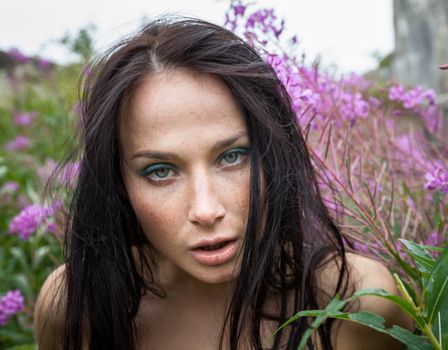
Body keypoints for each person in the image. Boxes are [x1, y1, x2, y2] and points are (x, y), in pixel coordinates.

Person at [34, 17, 412, 350]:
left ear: (273, 157)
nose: (206, 210)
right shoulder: (76, 305)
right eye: (160, 171)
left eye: (232, 157)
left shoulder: (357, 303)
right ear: (119, 184)